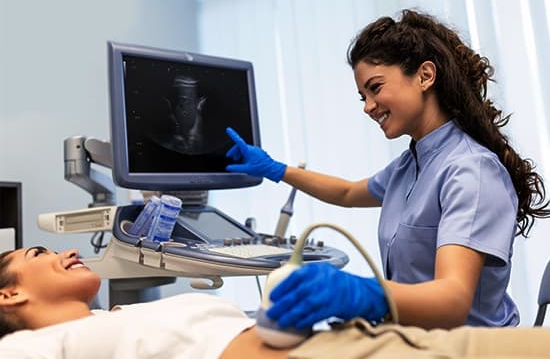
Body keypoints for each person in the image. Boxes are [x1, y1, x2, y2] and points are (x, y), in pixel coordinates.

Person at [224, 8, 550, 331]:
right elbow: (348, 193)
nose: (367, 106)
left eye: (375, 88)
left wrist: (365, 293)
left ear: (425, 76)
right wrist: (276, 169)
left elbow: (453, 301)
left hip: (471, 349)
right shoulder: (412, 164)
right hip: (416, 340)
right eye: (362, 96)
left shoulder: (472, 171)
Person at [2, 246, 550, 359]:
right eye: (39, 250)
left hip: (370, 342)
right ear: (10, 293)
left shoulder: (122, 319)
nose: (67, 251)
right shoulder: (41, 346)